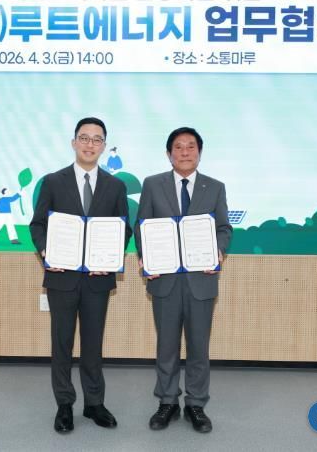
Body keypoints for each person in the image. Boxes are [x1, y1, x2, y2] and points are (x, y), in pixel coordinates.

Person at [30, 116, 132, 434]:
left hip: (98, 279)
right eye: (84, 138)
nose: (90, 144)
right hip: (62, 277)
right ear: (74, 142)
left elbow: (124, 229)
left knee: (93, 344)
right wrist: (46, 252)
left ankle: (94, 404)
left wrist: (111, 258)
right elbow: (38, 225)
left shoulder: (116, 186)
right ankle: (64, 405)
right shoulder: (53, 181)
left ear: (104, 146)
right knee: (61, 344)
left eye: (97, 139)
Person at [134, 127, 232, 433]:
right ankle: (167, 402)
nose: (185, 152)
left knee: (199, 346)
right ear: (169, 154)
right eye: (178, 147)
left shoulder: (214, 187)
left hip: (200, 280)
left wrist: (218, 252)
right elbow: (142, 226)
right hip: (164, 280)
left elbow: (224, 228)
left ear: (199, 152)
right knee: (166, 346)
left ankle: (196, 405)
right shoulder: (153, 184)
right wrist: (146, 258)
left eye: (191, 146)